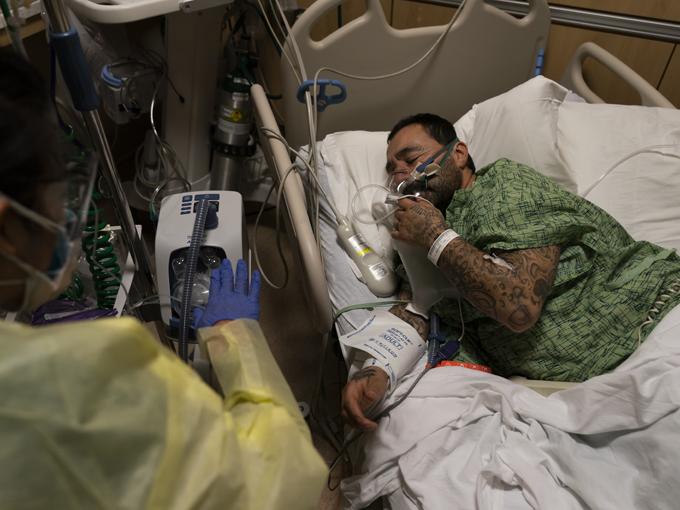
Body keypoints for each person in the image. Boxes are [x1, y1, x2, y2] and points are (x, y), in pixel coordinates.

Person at [0, 51, 326, 508]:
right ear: (8, 228)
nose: (69, 212)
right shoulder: (92, 376)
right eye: (60, 191)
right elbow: (279, 484)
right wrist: (240, 339)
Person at [343, 112, 680, 430]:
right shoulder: (412, 243)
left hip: (649, 323)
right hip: (571, 391)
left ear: (457, 154)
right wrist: (378, 368)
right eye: (392, 169)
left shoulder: (503, 186)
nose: (401, 174)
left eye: (411, 158)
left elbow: (519, 308)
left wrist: (434, 236)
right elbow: (419, 307)